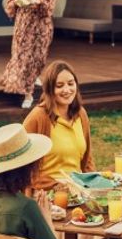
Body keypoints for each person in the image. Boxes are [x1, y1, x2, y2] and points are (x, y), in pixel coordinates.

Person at [23, 61, 94, 191]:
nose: (67, 90)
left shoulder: (81, 114)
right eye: (59, 86)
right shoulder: (38, 117)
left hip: (79, 192)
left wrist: (93, 184)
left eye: (71, 84)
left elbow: (87, 159)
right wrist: (55, 186)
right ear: (50, 90)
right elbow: (24, 166)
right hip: (46, 194)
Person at [0, 0, 56, 109]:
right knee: (23, 59)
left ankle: (33, 77)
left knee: (38, 59)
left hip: (42, 26)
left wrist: (38, 2)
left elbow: (50, 7)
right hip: (23, 26)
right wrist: (17, 3)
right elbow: (9, 7)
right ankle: (28, 94)